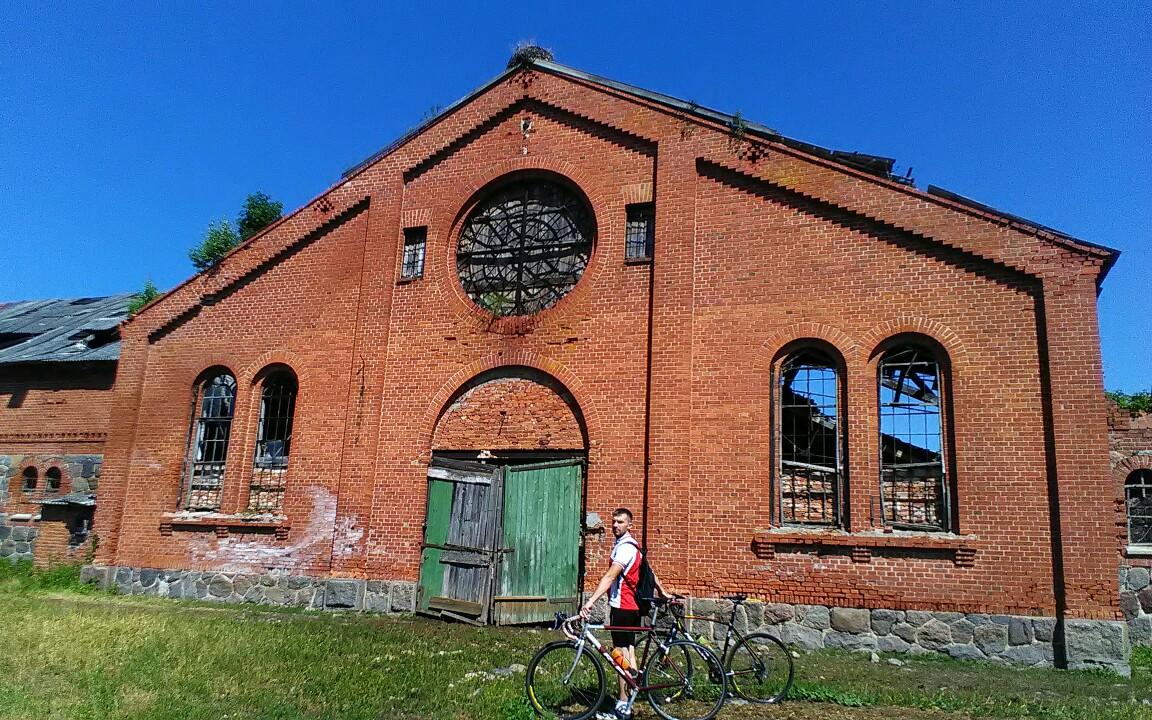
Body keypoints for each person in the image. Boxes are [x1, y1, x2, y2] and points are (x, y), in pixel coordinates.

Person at [579, 507, 667, 720]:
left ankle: (622, 705)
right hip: (632, 607)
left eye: (620, 522)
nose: (615, 525)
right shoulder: (632, 545)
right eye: (614, 522)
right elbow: (649, 571)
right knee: (629, 651)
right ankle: (631, 695)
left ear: (629, 524)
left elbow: (610, 577)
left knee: (619, 655)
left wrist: (590, 602)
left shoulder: (625, 549)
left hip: (624, 606)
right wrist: (661, 589)